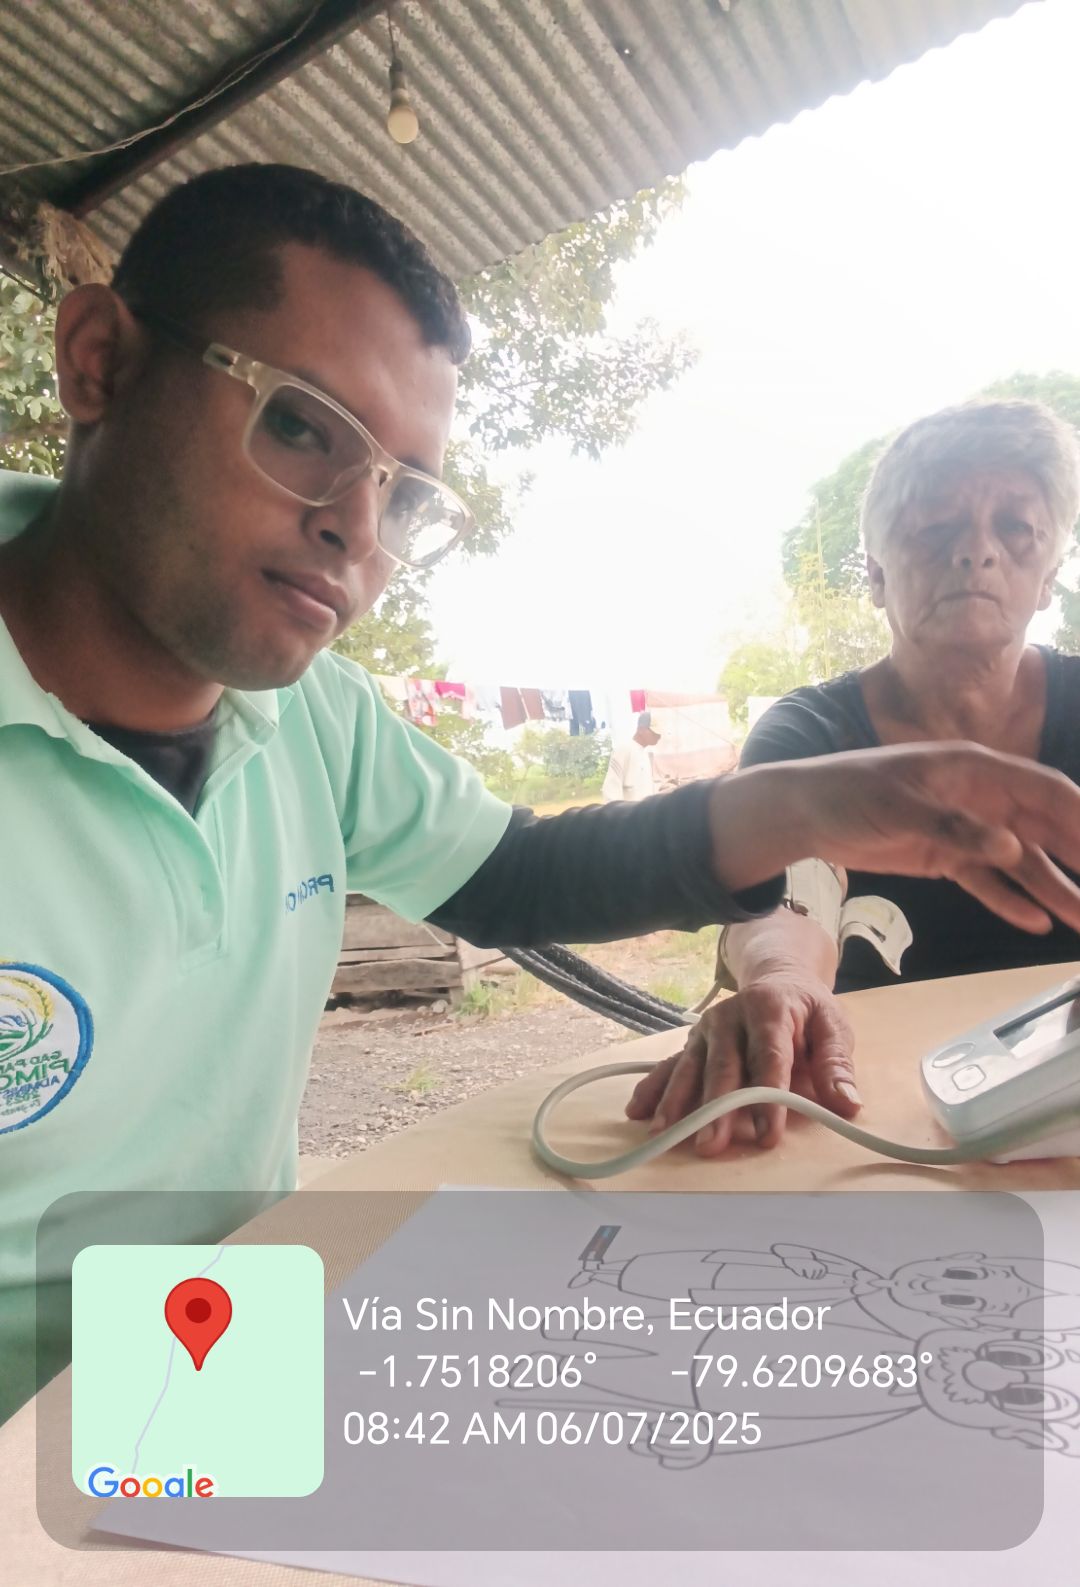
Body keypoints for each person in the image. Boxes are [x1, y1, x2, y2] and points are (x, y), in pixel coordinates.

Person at [5, 169, 1080, 1426]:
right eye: (300, 426)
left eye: (402, 489)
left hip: (212, 1363)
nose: (358, 529)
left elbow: (520, 874)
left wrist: (815, 804)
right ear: (99, 363)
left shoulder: (313, 721)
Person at [627, 399, 1080, 1156]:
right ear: (874, 573)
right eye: (936, 526)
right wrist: (782, 978)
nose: (977, 552)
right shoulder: (810, 733)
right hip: (863, 1118)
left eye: (1015, 527)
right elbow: (790, 889)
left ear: (1048, 578)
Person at [602, 710, 661, 801]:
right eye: (654, 732)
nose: (658, 736)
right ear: (641, 730)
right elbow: (612, 787)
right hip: (628, 809)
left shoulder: (646, 755)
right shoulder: (624, 749)